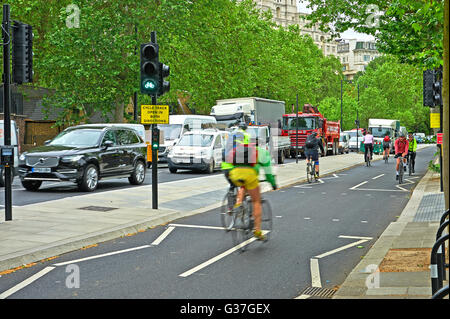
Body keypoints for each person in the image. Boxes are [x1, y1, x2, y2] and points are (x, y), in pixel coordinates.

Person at [227, 139, 277, 241]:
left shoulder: (241, 150)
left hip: (235, 174)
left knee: (243, 186)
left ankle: (238, 204)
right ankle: (257, 231)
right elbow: (268, 174)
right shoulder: (263, 153)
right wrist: (273, 184)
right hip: (250, 175)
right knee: (256, 201)